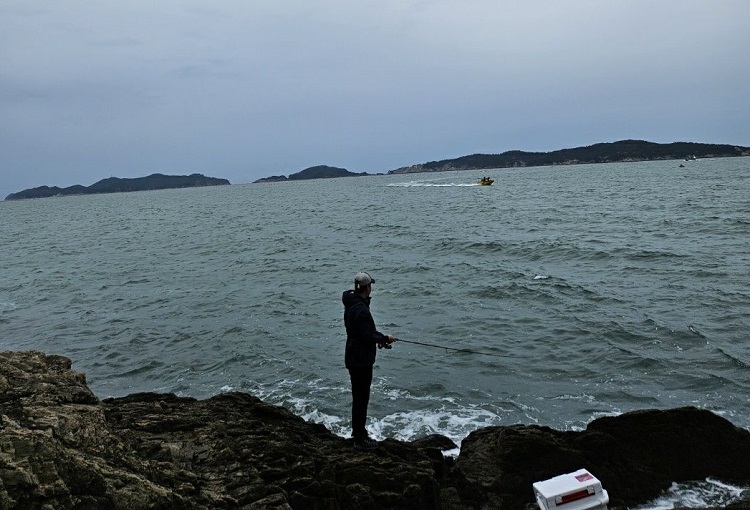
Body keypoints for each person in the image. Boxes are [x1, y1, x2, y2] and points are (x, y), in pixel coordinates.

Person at [342, 271, 395, 448]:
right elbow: (366, 335)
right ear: (367, 287)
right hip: (361, 361)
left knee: (358, 397)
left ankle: (358, 433)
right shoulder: (361, 310)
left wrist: (379, 339)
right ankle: (360, 438)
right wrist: (384, 338)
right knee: (361, 399)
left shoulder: (351, 303)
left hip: (353, 355)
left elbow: (362, 333)